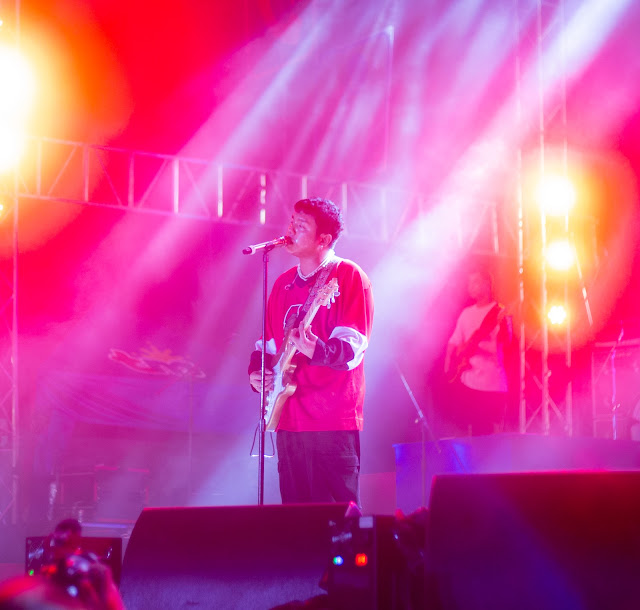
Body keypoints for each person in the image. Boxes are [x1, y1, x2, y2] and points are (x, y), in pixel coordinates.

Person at [248, 197, 374, 505]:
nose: (290, 229)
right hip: (289, 419)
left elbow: (353, 347)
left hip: (332, 421)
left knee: (338, 518)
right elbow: (267, 345)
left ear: (324, 240)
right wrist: (257, 373)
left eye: (301, 225)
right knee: (295, 518)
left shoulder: (347, 275)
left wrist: (318, 349)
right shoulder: (282, 284)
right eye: (292, 221)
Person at [443, 269, 512, 436]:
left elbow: (505, 345)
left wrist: (476, 346)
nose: (470, 287)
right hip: (468, 383)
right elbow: (453, 342)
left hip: (492, 385)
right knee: (469, 435)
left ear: (487, 285)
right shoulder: (466, 313)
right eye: (469, 283)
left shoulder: (499, 312)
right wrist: (448, 365)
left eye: (475, 282)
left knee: (490, 437)